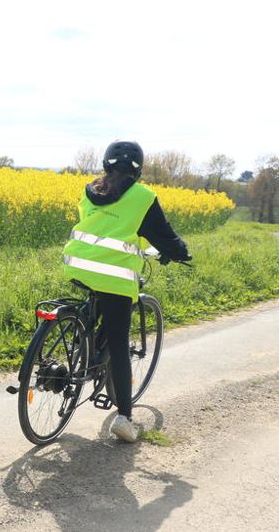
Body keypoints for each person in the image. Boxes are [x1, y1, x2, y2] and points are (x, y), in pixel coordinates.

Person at [62, 140, 192, 442]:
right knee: (119, 342)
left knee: (98, 304)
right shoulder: (142, 197)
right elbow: (163, 234)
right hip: (115, 276)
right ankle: (124, 418)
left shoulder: (91, 189)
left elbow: (101, 227)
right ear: (138, 170)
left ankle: (84, 348)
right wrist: (180, 252)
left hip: (77, 265)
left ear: (106, 164)